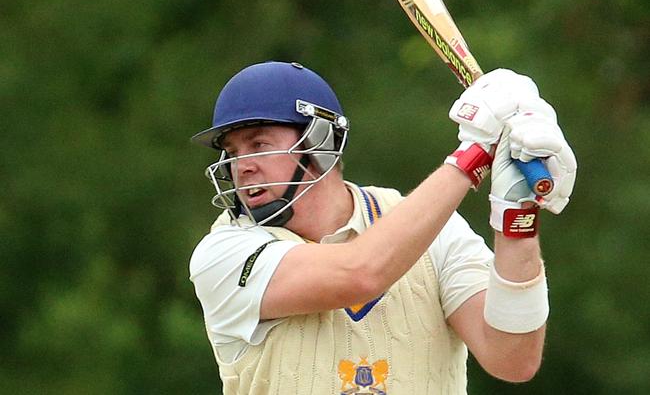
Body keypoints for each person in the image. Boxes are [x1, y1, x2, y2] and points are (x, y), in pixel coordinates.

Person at [189, 60, 577, 395]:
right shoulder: (224, 252)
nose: (242, 165)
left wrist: (517, 214)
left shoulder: (433, 229)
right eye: (233, 152)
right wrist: (473, 154)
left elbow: (513, 358)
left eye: (258, 144)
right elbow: (360, 272)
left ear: (320, 140)